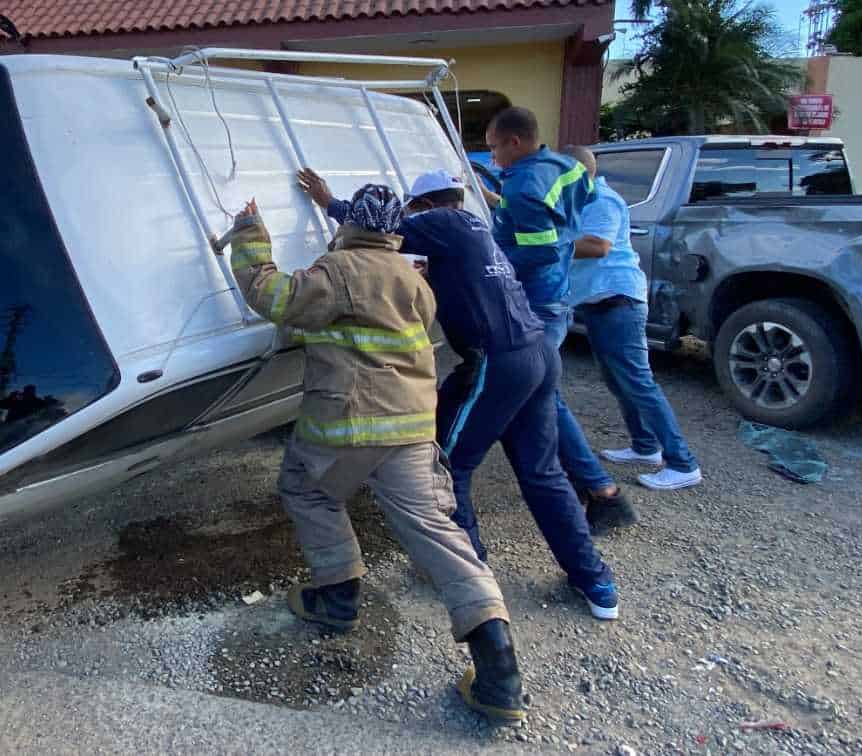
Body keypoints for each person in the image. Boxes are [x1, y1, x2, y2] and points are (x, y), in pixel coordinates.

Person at [223, 185, 526, 722]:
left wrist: (250, 238)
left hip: (346, 423)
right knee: (436, 531)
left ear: (352, 224)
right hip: (410, 428)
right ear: (393, 228)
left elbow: (276, 299)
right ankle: (498, 668)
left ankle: (337, 597)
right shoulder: (414, 278)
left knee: (307, 490)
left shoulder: (340, 269)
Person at [299, 166, 620, 620]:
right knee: (543, 472)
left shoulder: (441, 223)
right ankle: (596, 583)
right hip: (537, 353)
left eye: (413, 209)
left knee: (447, 466)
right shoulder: (475, 227)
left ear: (426, 205)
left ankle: (471, 576)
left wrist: (328, 201)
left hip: (496, 360)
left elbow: (376, 222)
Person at [485, 107, 637, 533]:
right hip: (556, 294)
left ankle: (602, 493)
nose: (492, 157)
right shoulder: (562, 166)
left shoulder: (524, 182)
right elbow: (561, 220)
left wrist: (491, 261)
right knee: (540, 395)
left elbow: (538, 250)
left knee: (543, 396)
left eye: (495, 147)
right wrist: (503, 208)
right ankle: (593, 488)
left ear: (515, 142)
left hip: (537, 300)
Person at [563, 146, 703, 491]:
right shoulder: (578, 201)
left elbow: (598, 246)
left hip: (618, 302)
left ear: (576, 172)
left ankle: (683, 463)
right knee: (617, 380)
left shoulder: (602, 200)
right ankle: (645, 446)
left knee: (639, 383)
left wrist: (546, 243)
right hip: (598, 303)